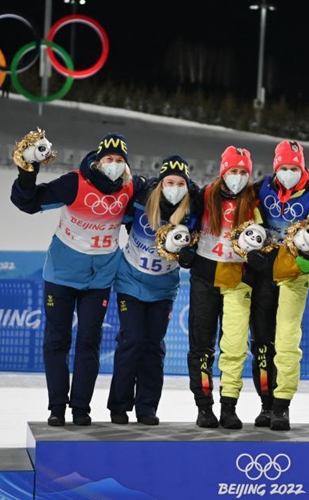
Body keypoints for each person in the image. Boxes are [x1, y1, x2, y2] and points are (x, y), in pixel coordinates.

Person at [11, 131, 146, 427]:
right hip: (62, 274)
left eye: (120, 160)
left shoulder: (130, 187)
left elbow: (142, 216)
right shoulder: (75, 182)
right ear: (98, 161)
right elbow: (28, 203)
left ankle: (81, 408)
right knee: (57, 340)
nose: (114, 164)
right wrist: (27, 170)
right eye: (109, 159)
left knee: (89, 342)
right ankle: (57, 406)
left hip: (98, 279)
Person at [107, 155, 198, 426]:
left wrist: (188, 255)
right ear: (161, 182)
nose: (175, 187)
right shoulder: (143, 197)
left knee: (153, 347)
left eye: (180, 182)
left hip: (163, 288)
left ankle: (146, 407)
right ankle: (119, 405)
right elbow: (121, 214)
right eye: (170, 181)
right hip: (131, 281)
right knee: (132, 340)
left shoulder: (192, 209)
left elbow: (193, 246)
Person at [246, 140, 309, 430]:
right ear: (275, 167)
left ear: (302, 167)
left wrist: (295, 265)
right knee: (262, 344)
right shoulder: (260, 189)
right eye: (284, 167)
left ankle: (281, 406)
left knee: (287, 342)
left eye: (294, 167)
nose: (289, 172)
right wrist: (254, 257)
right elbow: (245, 226)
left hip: (293, 278)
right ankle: (265, 404)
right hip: (263, 278)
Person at [180, 146, 258, 429]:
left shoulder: (254, 199)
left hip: (238, 278)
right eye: (233, 171)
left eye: (243, 172)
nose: (237, 177)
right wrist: (184, 248)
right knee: (201, 347)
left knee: (234, 347)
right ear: (223, 170)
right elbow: (188, 225)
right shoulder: (204, 195)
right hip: (204, 277)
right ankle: (204, 407)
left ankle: (229, 407)